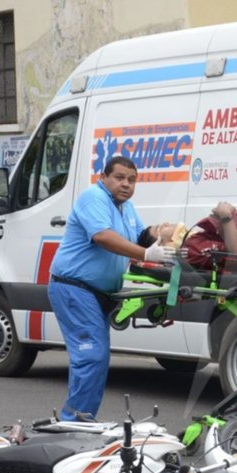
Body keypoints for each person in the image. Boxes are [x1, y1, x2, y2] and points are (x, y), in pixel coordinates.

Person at [48, 156, 174, 421]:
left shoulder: (125, 208)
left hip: (96, 293)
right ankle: (75, 422)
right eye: (119, 177)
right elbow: (103, 237)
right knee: (91, 356)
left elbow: (141, 234)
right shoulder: (94, 198)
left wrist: (159, 232)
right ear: (104, 177)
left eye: (131, 179)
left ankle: (80, 419)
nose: (126, 184)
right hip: (75, 288)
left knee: (94, 358)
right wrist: (146, 254)